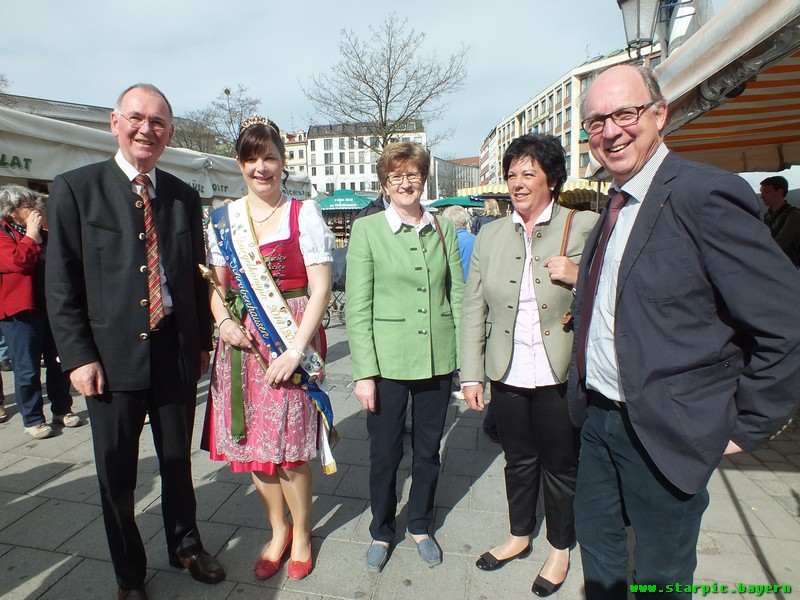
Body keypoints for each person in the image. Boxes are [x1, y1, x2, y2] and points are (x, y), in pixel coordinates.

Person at [569, 65, 800, 599]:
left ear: (659, 114)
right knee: (600, 554)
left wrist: (749, 423)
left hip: (667, 429)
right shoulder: (616, 204)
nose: (611, 130)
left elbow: (785, 320)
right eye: (597, 121)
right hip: (600, 418)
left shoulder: (704, 194)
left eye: (625, 114)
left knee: (660, 577)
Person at [45, 83, 225, 600]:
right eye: (137, 118)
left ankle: (185, 545)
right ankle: (129, 574)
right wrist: (77, 357)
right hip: (110, 360)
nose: (147, 128)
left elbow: (194, 281)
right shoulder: (77, 189)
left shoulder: (182, 196)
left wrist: (203, 341)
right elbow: (61, 282)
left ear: (169, 134)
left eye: (159, 122)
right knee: (117, 475)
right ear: (115, 123)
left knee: (176, 462)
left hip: (174, 352)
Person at [460, 134, 598, 597]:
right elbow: (473, 307)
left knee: (561, 464)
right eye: (512, 174)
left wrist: (579, 277)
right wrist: (472, 374)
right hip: (509, 370)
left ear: (552, 179)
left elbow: (616, 292)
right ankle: (519, 536)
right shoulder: (491, 233)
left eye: (529, 173)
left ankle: (560, 547)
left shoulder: (584, 227)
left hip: (560, 371)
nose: (518, 183)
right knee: (518, 460)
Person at [202, 118, 335, 582]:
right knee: (257, 448)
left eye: (270, 158)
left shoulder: (304, 214)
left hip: (290, 335)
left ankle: (301, 534)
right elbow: (217, 288)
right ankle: (276, 531)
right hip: (242, 346)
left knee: (291, 449)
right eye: (252, 159)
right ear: (240, 164)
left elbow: (320, 289)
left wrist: (297, 349)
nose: (262, 168)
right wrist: (222, 323)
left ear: (283, 161)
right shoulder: (223, 219)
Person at [346, 141, 464, 572]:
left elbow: (458, 293)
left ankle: (419, 524)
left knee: (429, 450)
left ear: (423, 177)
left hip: (436, 359)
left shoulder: (443, 228)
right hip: (387, 364)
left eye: (412, 174)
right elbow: (357, 306)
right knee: (385, 454)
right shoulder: (368, 229)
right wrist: (364, 374)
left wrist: (465, 359)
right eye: (396, 177)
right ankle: (381, 529)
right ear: (384, 183)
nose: (405, 183)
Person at [0, 185, 81, 439]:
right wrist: (31, 235)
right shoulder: (4, 233)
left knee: (59, 361)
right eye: (28, 206)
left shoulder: (44, 232)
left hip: (50, 307)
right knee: (27, 368)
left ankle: (62, 409)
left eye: (36, 205)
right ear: (13, 212)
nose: (35, 210)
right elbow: (18, 263)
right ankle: (33, 418)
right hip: (20, 312)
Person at [760, 175, 800, 266]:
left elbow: (778, 245)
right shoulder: (767, 217)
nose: (762, 196)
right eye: (761, 192)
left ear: (780, 192)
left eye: (766, 192)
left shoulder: (794, 216)